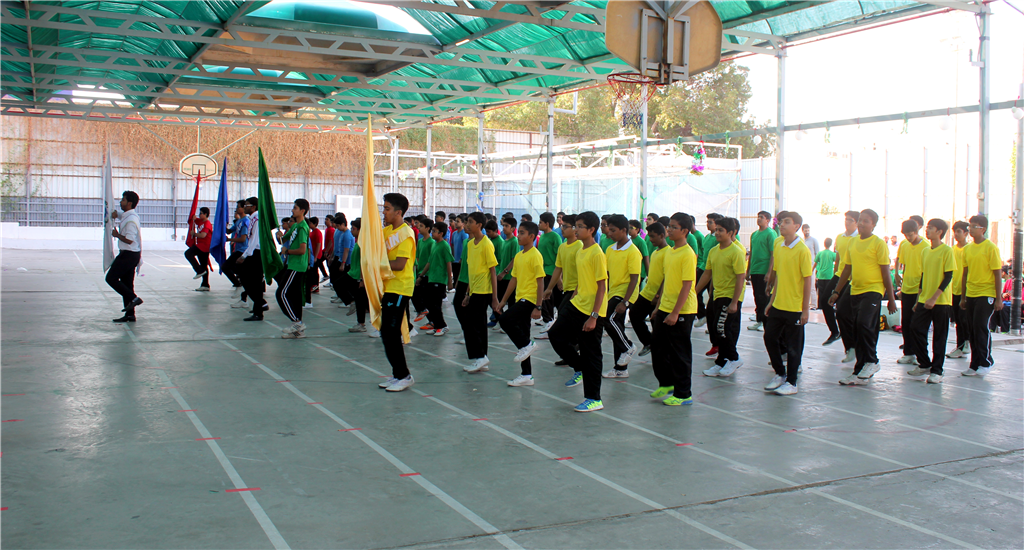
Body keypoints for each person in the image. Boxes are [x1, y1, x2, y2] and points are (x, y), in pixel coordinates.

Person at [828, 209, 898, 385]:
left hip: (873, 290)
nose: (861, 224)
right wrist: (836, 291)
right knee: (851, 323)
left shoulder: (878, 244)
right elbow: (847, 269)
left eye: (866, 221)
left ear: (873, 225)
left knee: (863, 324)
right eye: (860, 220)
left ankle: (872, 361)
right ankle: (858, 368)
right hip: (855, 289)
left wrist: (891, 299)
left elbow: (885, 272)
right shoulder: (852, 242)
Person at [548, 211, 608, 412]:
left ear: (591, 230)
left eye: (580, 226)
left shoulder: (597, 253)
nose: (576, 229)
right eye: (576, 226)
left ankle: (594, 398)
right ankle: (580, 367)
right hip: (577, 303)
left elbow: (601, 287)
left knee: (592, 353)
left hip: (592, 311)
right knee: (555, 335)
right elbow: (584, 279)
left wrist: (594, 316)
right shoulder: (581, 250)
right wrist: (574, 294)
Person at [648, 214, 698, 406]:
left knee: (680, 353)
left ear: (684, 231)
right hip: (665, 306)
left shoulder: (687, 254)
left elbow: (687, 285)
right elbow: (667, 281)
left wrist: (675, 312)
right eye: (669, 226)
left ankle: (683, 394)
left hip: (682, 310)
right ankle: (667, 383)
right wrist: (659, 307)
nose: (669, 230)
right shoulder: (670, 252)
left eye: (673, 227)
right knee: (657, 346)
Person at [763, 211, 813, 396]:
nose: (781, 225)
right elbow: (778, 276)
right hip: (779, 304)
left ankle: (792, 382)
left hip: (795, 307)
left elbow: (807, 280)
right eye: (781, 222)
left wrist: (805, 310)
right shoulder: (779, 246)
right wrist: (772, 301)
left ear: (796, 226)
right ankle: (780, 373)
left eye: (786, 222)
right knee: (769, 338)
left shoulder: (802, 250)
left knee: (793, 347)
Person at [375, 194, 418, 390]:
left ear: (398, 212)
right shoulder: (386, 231)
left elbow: (400, 264)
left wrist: (376, 264)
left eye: (387, 209)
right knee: (387, 333)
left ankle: (404, 376)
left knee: (391, 332)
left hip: (400, 288)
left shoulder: (406, 234)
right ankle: (397, 374)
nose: (383, 212)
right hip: (388, 287)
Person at [905, 219, 956, 384]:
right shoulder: (925, 251)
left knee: (940, 336)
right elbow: (923, 275)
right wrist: (919, 299)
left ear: (939, 232)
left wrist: (934, 297)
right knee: (915, 329)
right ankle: (925, 363)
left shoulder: (947, 251)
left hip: (941, 301)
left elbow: (948, 276)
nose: (927, 230)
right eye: (927, 228)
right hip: (924, 299)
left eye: (931, 228)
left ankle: (937, 370)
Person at [497, 220, 546, 387]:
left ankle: (527, 345)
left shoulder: (535, 255)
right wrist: (503, 300)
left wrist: (538, 306)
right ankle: (527, 375)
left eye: (522, 233)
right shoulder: (519, 256)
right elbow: (514, 280)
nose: (518, 235)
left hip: (530, 299)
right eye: (519, 232)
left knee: (505, 320)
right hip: (520, 298)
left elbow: (540, 281)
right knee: (524, 335)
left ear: (532, 236)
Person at [696, 217, 746, 377]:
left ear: (731, 233)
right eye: (716, 229)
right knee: (716, 329)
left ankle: (734, 358)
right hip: (717, 294)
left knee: (721, 328)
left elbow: (741, 277)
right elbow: (707, 273)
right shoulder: (714, 251)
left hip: (730, 296)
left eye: (720, 230)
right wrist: (695, 291)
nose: (717, 233)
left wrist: (734, 302)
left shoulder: (736, 252)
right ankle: (721, 362)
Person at [960, 215, 1002, 377]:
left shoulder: (991, 248)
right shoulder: (968, 249)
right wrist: (963, 297)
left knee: (980, 327)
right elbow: (965, 274)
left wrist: (998, 298)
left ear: (983, 229)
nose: (970, 229)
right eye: (969, 226)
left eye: (974, 226)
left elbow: (997, 274)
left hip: (986, 293)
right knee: (971, 328)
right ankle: (974, 363)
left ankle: (986, 361)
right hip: (971, 293)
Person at [601, 214, 641, 378]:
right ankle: (620, 368)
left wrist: (625, 301)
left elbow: (634, 279)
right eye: (608, 230)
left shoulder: (633, 252)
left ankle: (628, 347)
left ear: (624, 230)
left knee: (608, 319)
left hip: (625, 293)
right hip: (613, 292)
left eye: (613, 230)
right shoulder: (610, 249)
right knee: (617, 328)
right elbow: (608, 274)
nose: (609, 233)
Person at [461, 212, 500, 374]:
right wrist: (467, 293)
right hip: (474, 290)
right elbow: (472, 271)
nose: (467, 225)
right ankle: (481, 357)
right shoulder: (470, 244)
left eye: (470, 222)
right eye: (467, 222)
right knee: (477, 324)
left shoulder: (486, 244)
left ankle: (480, 356)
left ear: (479, 225)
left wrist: (494, 297)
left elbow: (492, 271)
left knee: (472, 324)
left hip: (484, 290)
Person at [630, 222, 667, 357]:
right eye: (649, 236)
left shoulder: (668, 253)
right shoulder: (656, 252)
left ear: (662, 235)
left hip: (657, 295)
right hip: (647, 292)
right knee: (634, 314)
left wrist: (658, 295)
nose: (650, 239)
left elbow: (666, 277)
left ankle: (660, 353)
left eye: (653, 236)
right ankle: (648, 342)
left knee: (657, 325)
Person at [107, 191, 143, 323]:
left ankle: (134, 298)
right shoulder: (129, 215)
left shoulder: (131, 221)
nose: (120, 202)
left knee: (111, 278)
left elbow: (129, 240)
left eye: (123, 200)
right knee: (127, 284)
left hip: (128, 255)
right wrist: (116, 214)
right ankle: (130, 315)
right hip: (131, 254)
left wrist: (117, 235)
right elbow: (122, 215)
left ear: (129, 203)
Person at [275, 201, 310, 337]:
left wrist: (287, 251)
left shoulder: (303, 228)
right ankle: (298, 330)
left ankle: (296, 322)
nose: (292, 210)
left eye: (295, 208)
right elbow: (283, 241)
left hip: (297, 265)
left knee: (281, 293)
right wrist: (279, 236)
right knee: (295, 297)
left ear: (302, 211)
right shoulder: (295, 226)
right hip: (292, 264)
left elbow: (302, 250)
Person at [894, 218, 926, 364]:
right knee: (906, 322)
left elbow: (926, 271)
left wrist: (921, 291)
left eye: (910, 234)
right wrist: (897, 275)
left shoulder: (926, 247)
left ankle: (920, 355)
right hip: (907, 288)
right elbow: (903, 263)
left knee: (917, 325)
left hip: (919, 290)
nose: (908, 237)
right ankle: (908, 352)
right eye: (905, 235)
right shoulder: (904, 245)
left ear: (917, 231)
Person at [832, 211, 860, 359]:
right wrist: (836, 288)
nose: (846, 222)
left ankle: (857, 349)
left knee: (849, 314)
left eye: (850, 220)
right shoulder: (842, 238)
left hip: (860, 283)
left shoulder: (867, 240)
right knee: (836, 308)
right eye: (846, 219)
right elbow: (842, 261)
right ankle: (842, 338)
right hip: (843, 277)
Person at [420, 221, 454, 336]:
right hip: (432, 278)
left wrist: (450, 281)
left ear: (441, 233)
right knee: (429, 303)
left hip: (440, 279)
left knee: (436, 305)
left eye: (434, 231)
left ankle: (442, 326)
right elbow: (429, 262)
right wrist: (421, 275)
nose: (432, 233)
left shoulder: (445, 246)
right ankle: (436, 325)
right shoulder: (434, 244)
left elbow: (448, 263)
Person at [747, 211, 777, 331]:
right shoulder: (754, 235)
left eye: (761, 217)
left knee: (764, 297)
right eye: (758, 217)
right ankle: (759, 320)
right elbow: (752, 253)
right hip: (755, 270)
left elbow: (773, 254)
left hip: (764, 270)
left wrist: (769, 272)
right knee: (757, 296)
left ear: (767, 220)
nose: (759, 219)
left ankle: (766, 322)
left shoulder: (771, 234)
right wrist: (748, 270)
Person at [947, 221, 971, 359]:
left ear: (966, 233)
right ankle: (960, 346)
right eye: (954, 231)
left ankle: (966, 343)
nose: (956, 234)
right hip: (954, 289)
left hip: (966, 290)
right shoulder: (952, 250)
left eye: (959, 231)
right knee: (957, 319)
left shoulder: (969, 249)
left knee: (964, 319)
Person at [695, 213, 721, 327]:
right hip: (703, 268)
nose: (708, 224)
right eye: (707, 222)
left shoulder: (718, 239)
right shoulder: (707, 237)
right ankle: (702, 315)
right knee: (695, 291)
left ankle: (713, 323)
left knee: (713, 297)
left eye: (710, 222)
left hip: (712, 271)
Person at [537, 212, 563, 327]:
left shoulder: (555, 237)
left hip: (551, 271)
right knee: (544, 297)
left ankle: (550, 321)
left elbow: (559, 257)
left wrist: (559, 278)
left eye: (541, 222)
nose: (539, 224)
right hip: (543, 271)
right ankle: (547, 319)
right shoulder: (542, 236)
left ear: (547, 224)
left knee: (549, 298)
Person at [813, 237, 840, 345]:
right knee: (826, 298)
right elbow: (837, 261)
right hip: (830, 276)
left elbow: (815, 263)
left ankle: (838, 332)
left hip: (823, 276)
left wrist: (813, 271)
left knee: (822, 295)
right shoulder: (832, 254)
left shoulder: (821, 253)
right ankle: (835, 331)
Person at [412, 218, 435, 323]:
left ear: (427, 228)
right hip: (419, 272)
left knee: (426, 298)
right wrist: (416, 272)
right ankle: (427, 316)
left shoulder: (432, 242)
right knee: (415, 294)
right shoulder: (420, 241)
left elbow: (430, 260)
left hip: (427, 274)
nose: (419, 227)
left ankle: (431, 320)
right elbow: (417, 257)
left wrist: (422, 275)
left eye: (421, 226)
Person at [223, 200, 249, 292]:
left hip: (243, 249)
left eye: (238, 207)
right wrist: (223, 225)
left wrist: (230, 240)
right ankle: (241, 282)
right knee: (236, 268)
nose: (236, 209)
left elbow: (243, 239)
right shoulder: (239, 221)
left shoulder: (246, 221)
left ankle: (238, 283)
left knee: (226, 267)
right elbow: (229, 231)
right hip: (238, 249)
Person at [185, 206, 213, 291]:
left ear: (205, 214)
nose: (199, 215)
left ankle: (198, 270)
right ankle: (205, 285)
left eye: (201, 213)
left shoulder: (207, 223)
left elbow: (203, 235)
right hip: (201, 245)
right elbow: (193, 219)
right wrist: (193, 217)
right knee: (204, 265)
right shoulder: (201, 221)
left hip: (204, 245)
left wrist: (194, 234)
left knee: (188, 253)